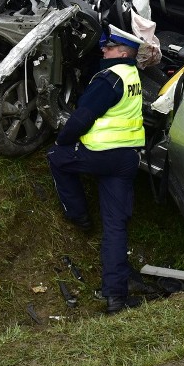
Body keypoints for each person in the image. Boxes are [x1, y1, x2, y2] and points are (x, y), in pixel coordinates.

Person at [46, 25, 146, 315]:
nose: (103, 49)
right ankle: (116, 298)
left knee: (56, 158)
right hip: (126, 159)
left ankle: (78, 216)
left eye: (109, 46)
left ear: (124, 52)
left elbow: (81, 119)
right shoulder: (132, 76)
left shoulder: (108, 79)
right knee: (115, 227)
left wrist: (62, 141)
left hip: (99, 155)